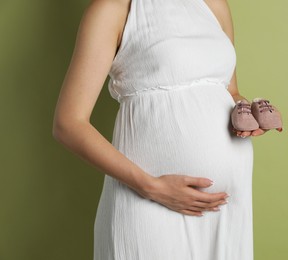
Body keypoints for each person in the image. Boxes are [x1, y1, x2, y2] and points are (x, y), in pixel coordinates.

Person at [52, 0, 269, 259]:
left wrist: (250, 114)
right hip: (148, 201)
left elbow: (230, 90)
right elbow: (68, 123)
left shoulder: (213, 4)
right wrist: (151, 187)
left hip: (224, 208)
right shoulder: (113, 9)